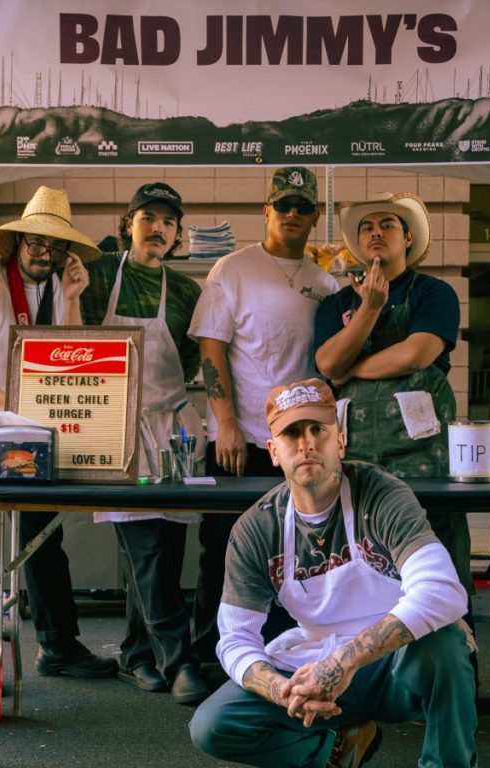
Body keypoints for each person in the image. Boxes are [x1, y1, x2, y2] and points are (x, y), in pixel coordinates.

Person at [0, 183, 209, 704]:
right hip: (116, 425)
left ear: (177, 234)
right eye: (147, 217)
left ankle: (138, 654)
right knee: (146, 545)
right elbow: (34, 250)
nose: (157, 228)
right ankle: (178, 661)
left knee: (166, 549)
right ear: (129, 223)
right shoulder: (96, 271)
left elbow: (190, 360)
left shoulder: (186, 291)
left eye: (168, 222)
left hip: (171, 427)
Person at [188, 378, 477, 768]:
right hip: (312, 666)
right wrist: (281, 690)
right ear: (273, 452)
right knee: (213, 725)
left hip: (394, 669)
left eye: (317, 430)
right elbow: (235, 637)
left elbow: (442, 591)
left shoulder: (381, 494)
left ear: (339, 442)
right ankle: (336, 750)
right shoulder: (257, 528)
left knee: (445, 640)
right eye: (292, 433)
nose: (306, 444)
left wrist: (344, 662)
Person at [0, 186, 117, 679]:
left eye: (56, 246)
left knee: (42, 533)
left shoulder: (58, 287)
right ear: (18, 242)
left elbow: (70, 362)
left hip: (19, 425)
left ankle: (59, 646)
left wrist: (72, 300)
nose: (44, 254)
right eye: (37, 243)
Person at [187, 166, 340, 663]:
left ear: (315, 216)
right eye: (283, 205)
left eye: (302, 206)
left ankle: (279, 657)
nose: (292, 213)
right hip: (243, 440)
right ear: (266, 212)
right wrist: (226, 424)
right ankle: (209, 656)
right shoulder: (232, 269)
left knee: (294, 553)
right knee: (222, 549)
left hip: (298, 446)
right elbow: (211, 349)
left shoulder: (325, 282)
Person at [312, 192, 472, 601]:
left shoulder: (434, 293)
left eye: (388, 225)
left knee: (438, 566)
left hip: (425, 457)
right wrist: (369, 308)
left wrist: (351, 368)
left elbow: (416, 353)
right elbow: (327, 363)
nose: (376, 233)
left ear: (408, 238)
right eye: (367, 227)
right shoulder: (336, 304)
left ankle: (456, 642)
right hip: (356, 456)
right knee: (365, 569)